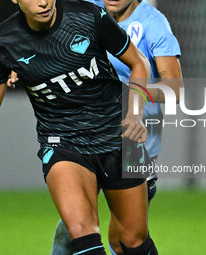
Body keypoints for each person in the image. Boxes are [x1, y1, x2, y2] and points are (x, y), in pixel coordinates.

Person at [0, 0, 158, 255]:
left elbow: (139, 63)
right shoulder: (3, 41)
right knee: (83, 233)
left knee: (132, 242)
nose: (43, 1)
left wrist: (135, 114)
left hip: (118, 136)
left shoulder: (88, 16)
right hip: (62, 143)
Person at [48, 0, 182, 254]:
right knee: (70, 233)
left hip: (132, 144)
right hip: (85, 137)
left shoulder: (153, 24)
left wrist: (125, 94)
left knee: (124, 242)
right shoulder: (87, 11)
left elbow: (174, 89)